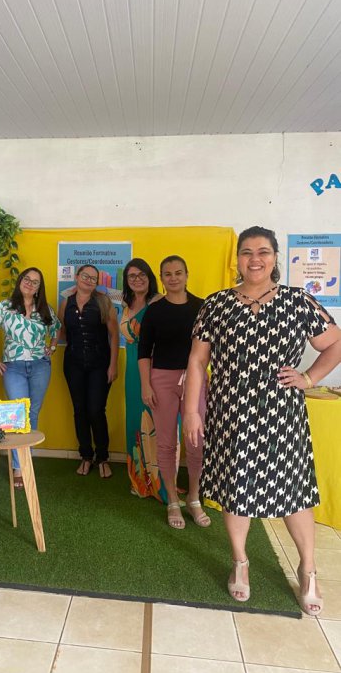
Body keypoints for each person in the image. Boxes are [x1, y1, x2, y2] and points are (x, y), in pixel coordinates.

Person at [184, 226, 341, 614]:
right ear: (237, 259)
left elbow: (335, 343)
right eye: (247, 252)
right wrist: (191, 411)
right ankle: (240, 562)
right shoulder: (216, 304)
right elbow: (197, 361)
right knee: (236, 489)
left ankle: (308, 569)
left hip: (281, 414)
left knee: (293, 491)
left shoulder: (297, 301)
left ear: (275, 257)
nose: (255, 259)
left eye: (263, 252)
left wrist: (309, 378)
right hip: (230, 413)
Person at [138, 255, 209, 529]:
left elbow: (213, 346)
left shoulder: (202, 307)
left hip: (195, 380)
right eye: (167, 274)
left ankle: (193, 498)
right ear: (161, 278)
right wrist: (146, 385)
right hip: (161, 381)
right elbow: (144, 352)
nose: (173, 278)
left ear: (187, 274)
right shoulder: (154, 311)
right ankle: (172, 500)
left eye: (178, 272)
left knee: (196, 442)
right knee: (166, 443)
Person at [0, 267, 60, 488]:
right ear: (20, 281)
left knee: (32, 412)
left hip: (40, 366)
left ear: (39, 288)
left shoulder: (44, 309)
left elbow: (57, 329)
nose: (30, 283)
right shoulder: (5, 307)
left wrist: (52, 347)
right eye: (27, 279)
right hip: (13, 367)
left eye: (35, 282)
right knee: (19, 414)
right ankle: (19, 467)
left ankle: (26, 462)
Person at [59, 264, 119, 478]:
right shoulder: (66, 302)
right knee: (79, 410)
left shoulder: (104, 301)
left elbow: (114, 335)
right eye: (85, 276)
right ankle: (85, 456)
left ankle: (102, 457)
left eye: (93, 278)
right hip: (73, 363)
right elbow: (61, 331)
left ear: (96, 283)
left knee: (96, 410)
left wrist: (113, 365)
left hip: (100, 364)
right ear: (77, 277)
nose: (89, 280)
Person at [120, 258, 165, 499]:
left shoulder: (159, 302)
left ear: (149, 277)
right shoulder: (126, 304)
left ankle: (159, 482)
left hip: (153, 370)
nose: (137, 279)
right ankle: (140, 480)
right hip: (131, 372)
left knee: (154, 423)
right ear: (127, 280)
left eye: (141, 275)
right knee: (135, 421)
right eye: (132, 276)